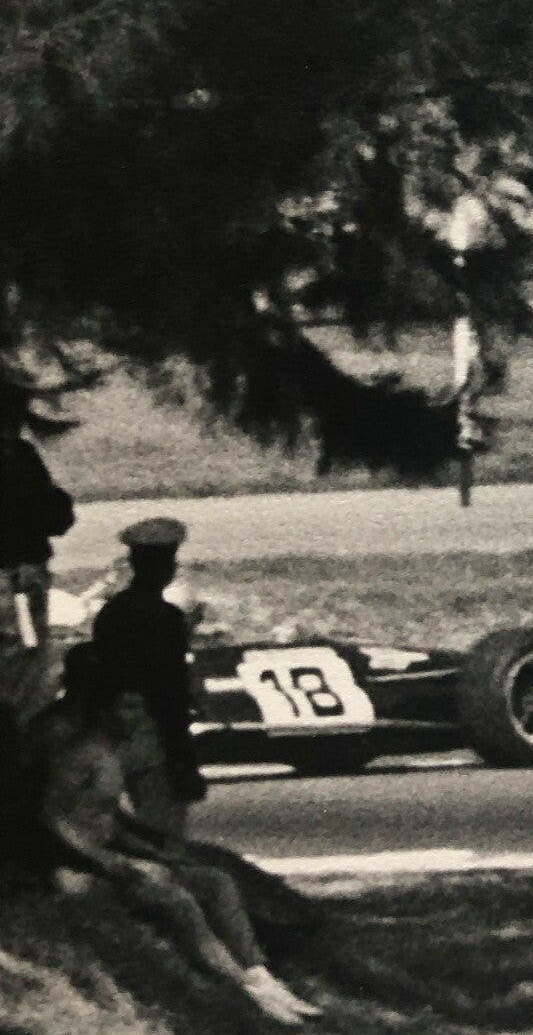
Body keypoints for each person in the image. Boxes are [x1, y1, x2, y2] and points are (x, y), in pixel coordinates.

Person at [36, 645, 319, 1025]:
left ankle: (260, 975)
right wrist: (116, 863)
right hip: (74, 863)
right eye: (128, 709)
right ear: (102, 707)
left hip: (109, 855)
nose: (138, 719)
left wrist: (150, 848)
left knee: (214, 880)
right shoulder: (76, 749)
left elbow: (106, 817)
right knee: (178, 900)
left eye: (140, 709)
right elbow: (52, 816)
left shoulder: (108, 751)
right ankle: (246, 990)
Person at [91, 517, 205, 838]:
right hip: (153, 733)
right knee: (163, 833)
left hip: (111, 730)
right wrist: (183, 760)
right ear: (168, 568)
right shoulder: (167, 618)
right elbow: (171, 689)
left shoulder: (110, 613)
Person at [0, 382, 75, 655]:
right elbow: (52, 511)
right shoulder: (23, 456)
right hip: (25, 559)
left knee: (20, 644)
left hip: (25, 561)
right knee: (23, 644)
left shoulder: (23, 455)